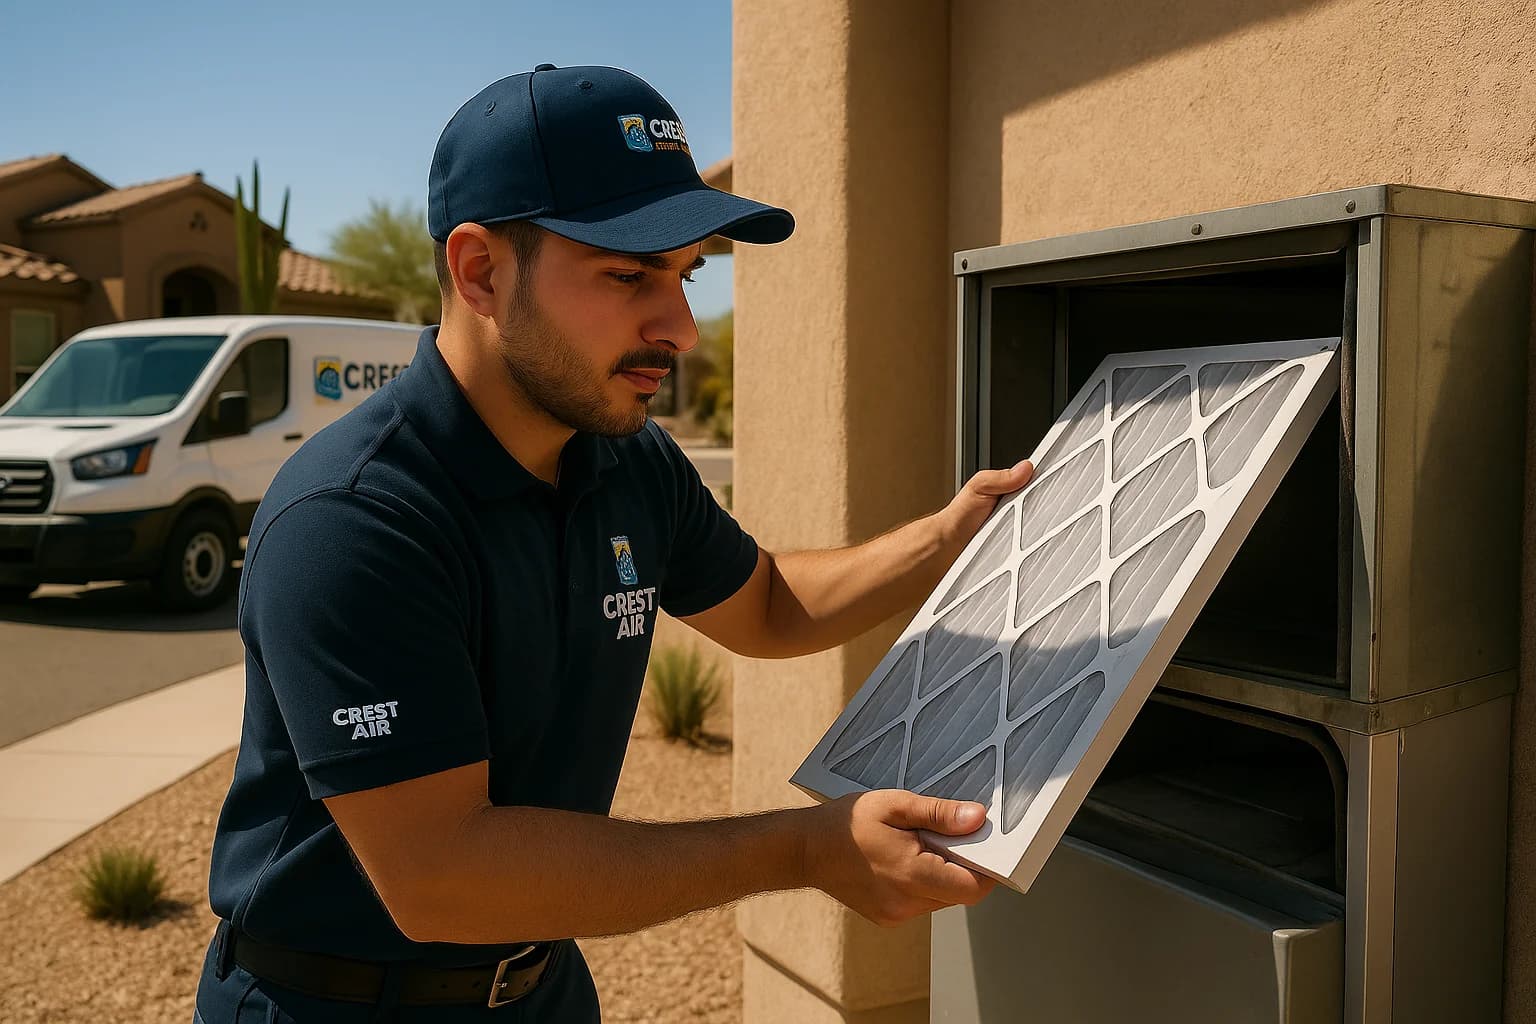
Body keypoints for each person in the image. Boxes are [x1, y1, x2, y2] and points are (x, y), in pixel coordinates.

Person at [193, 63, 1034, 1023]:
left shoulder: (627, 459)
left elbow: (765, 604)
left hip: (543, 990)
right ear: (480, 272)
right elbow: (441, 877)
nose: (677, 326)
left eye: (685, 275)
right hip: (331, 1004)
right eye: (628, 274)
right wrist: (803, 848)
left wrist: (949, 535)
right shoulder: (355, 519)